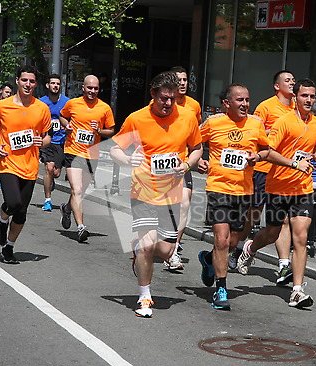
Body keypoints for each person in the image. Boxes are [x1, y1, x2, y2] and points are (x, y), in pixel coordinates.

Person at [110, 71, 203, 318]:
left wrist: (186, 165)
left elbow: (197, 148)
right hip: (143, 190)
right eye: (163, 98)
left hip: (172, 193)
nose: (168, 104)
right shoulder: (137, 118)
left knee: (166, 251)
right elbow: (114, 150)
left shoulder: (187, 118)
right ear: (153, 95)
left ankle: (141, 250)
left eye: (172, 98)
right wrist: (128, 159)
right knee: (147, 247)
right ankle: (144, 297)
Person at [238, 78, 316, 308]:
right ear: (295, 98)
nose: (309, 100)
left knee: (301, 238)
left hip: (303, 188)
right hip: (277, 187)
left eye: (312, 96)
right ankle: (250, 247)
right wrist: (294, 164)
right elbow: (268, 151)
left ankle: (297, 291)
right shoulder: (284, 122)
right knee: (272, 234)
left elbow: (311, 144)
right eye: (304, 96)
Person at [197, 83, 269, 311]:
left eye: (247, 100)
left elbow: (267, 149)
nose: (245, 104)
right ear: (227, 103)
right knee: (221, 239)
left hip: (244, 191)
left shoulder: (256, 123)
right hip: (218, 187)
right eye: (240, 100)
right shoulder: (214, 122)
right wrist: (197, 159)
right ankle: (221, 288)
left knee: (233, 241)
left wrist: (257, 156)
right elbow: (193, 142)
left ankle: (209, 260)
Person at [231, 70, 296, 280]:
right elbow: (254, 133)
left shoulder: (298, 109)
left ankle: (284, 264)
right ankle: (239, 248)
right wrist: (277, 130)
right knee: (254, 212)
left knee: (283, 220)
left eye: (293, 80)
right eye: (287, 80)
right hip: (263, 169)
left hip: (286, 173)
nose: (292, 83)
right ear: (277, 86)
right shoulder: (266, 107)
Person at [0, 65, 51, 264]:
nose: (28, 84)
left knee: (21, 213)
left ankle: (9, 247)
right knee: (13, 203)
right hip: (7, 162)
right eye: (24, 80)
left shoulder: (41, 108)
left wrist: (43, 141)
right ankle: (2, 220)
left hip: (30, 165)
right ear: (17, 81)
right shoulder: (2, 106)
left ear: (36, 84)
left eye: (32, 81)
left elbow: (48, 136)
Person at [59, 75, 115, 242]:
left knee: (80, 192)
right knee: (76, 190)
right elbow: (63, 116)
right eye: (89, 88)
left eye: (95, 88)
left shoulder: (104, 108)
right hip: (72, 151)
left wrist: (99, 131)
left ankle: (67, 208)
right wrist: (66, 125)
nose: (92, 91)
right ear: (83, 88)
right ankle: (81, 227)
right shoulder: (73, 103)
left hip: (92, 155)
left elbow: (111, 130)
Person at [163, 65, 202, 270]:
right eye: (178, 80)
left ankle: (174, 248)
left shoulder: (194, 106)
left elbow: (197, 137)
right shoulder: (159, 104)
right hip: (159, 165)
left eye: (185, 80)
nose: (183, 83)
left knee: (184, 203)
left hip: (182, 164)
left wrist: (199, 158)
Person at [39, 74, 70, 212]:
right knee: (49, 168)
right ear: (47, 85)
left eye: (58, 84)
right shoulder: (41, 102)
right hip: (47, 140)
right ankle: (47, 200)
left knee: (56, 173)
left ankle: (51, 181)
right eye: (53, 83)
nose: (55, 86)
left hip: (61, 141)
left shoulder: (67, 102)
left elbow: (71, 118)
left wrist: (67, 125)